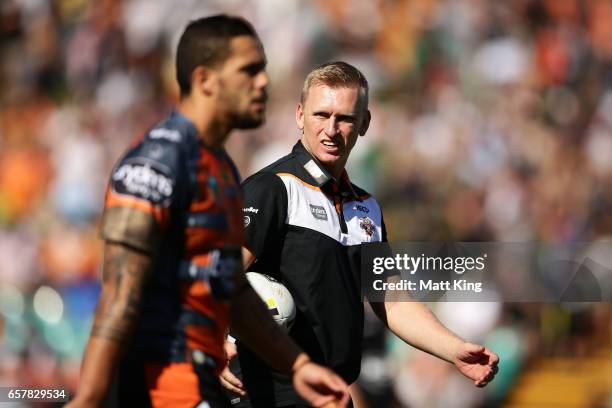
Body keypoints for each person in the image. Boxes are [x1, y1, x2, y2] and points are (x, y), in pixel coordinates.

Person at [67, 16, 350, 408]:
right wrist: (90, 397)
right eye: (249, 71)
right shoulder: (156, 163)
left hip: (202, 385)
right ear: (205, 80)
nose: (263, 82)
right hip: (159, 384)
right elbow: (120, 291)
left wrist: (298, 365)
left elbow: (230, 288)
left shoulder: (221, 169)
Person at [221, 61, 499, 407]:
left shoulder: (367, 207)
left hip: (333, 397)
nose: (331, 130)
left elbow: (392, 302)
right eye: (321, 115)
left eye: (345, 118)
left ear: (364, 123)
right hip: (265, 397)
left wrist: (454, 349)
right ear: (299, 116)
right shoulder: (272, 190)